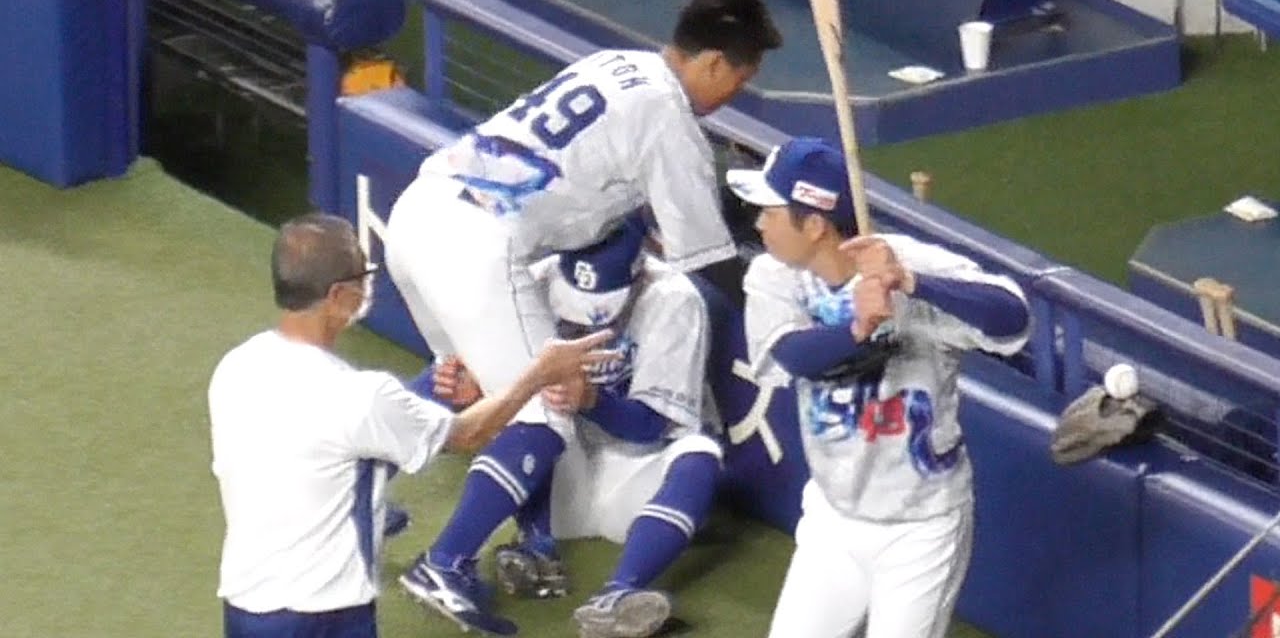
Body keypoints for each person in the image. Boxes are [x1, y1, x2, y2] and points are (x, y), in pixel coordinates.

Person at [208, 213, 615, 638]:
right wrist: (539, 374)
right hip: (324, 615)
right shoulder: (359, 396)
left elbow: (310, 449)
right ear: (338, 295)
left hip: (246, 603)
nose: (368, 286)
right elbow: (466, 435)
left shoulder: (236, 367)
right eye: (363, 276)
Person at [726, 139, 1032, 638]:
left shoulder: (902, 261)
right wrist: (856, 330)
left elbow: (1013, 317)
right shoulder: (773, 275)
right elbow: (793, 355)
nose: (759, 224)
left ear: (815, 224)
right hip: (832, 515)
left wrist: (913, 282)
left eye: (770, 212)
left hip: (920, 525)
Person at [398, 217, 722, 637]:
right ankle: (449, 560)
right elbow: (470, 384)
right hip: (557, 476)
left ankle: (616, 598)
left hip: (631, 473)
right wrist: (475, 385)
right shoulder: (535, 281)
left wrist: (592, 400)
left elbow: (654, 425)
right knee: (533, 403)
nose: (587, 318)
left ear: (639, 267)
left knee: (700, 454)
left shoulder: (674, 300)